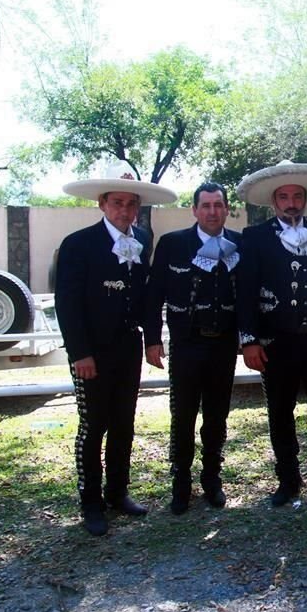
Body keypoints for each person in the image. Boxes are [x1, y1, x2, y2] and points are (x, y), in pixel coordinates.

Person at [55, 161, 177, 536]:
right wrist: (80, 353)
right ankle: (91, 502)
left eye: (130, 204)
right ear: (103, 204)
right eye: (117, 203)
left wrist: (153, 338)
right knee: (94, 426)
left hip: (126, 348)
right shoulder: (78, 245)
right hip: (92, 351)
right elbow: (68, 304)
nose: (124, 210)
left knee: (124, 423)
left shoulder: (140, 243)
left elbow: (146, 299)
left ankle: (117, 492)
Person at [236, 161, 307, 508]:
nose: (291, 202)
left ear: (304, 199)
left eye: (296, 196)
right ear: (274, 202)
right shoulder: (255, 237)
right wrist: (249, 340)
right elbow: (245, 291)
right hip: (275, 342)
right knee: (280, 414)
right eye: (284, 197)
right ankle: (288, 480)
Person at [144, 181, 241, 515]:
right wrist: (152, 339)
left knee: (217, 416)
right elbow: (154, 292)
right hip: (187, 343)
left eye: (218, 205)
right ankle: (181, 481)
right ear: (195, 210)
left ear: (227, 209)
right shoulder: (173, 244)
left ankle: (212, 478)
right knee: (182, 415)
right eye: (206, 206)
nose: (212, 212)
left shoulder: (238, 244)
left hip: (224, 345)